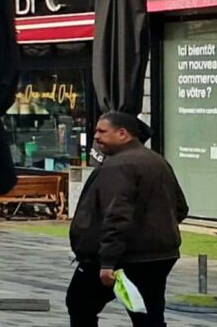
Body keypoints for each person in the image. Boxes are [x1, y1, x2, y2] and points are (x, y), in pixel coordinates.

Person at [68, 111, 187, 327]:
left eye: (102, 131)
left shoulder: (119, 165)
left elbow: (116, 216)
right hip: (158, 254)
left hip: (123, 257)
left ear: (123, 134)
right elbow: (180, 208)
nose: (96, 136)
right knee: (148, 315)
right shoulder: (157, 161)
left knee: (80, 304)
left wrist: (107, 262)